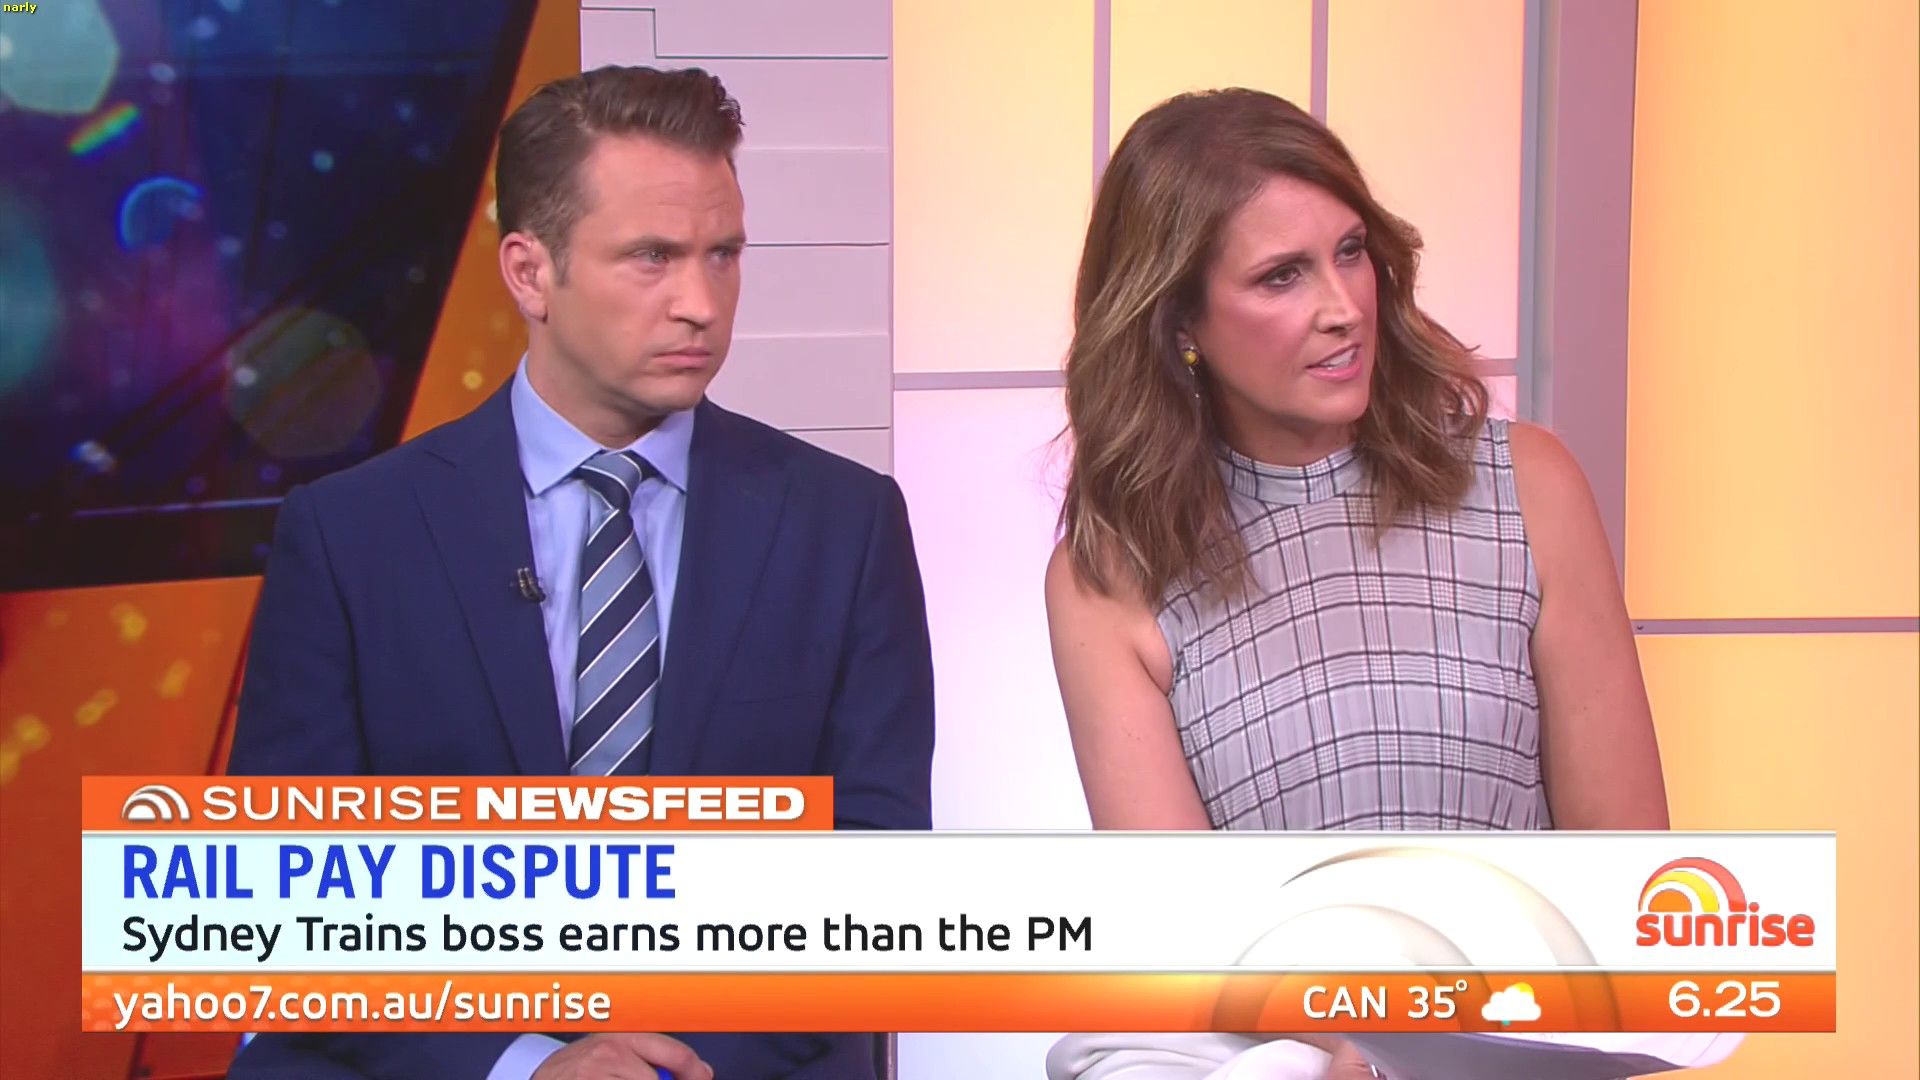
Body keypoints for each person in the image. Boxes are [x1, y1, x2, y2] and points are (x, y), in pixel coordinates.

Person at [227, 65, 935, 1080]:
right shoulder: (350, 537)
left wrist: (664, 1065)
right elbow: (285, 902)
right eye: (652, 257)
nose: (701, 304)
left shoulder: (845, 524)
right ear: (530, 273)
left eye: (724, 255)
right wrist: (523, 1066)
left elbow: (875, 881)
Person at [1043, 88, 1668, 1078]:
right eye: (1282, 276)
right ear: (1180, 322)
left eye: (1349, 252)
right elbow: (1190, 943)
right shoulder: (1111, 576)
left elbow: (1624, 875)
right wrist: (1361, 1055)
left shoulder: (1531, 486)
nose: (1342, 307)